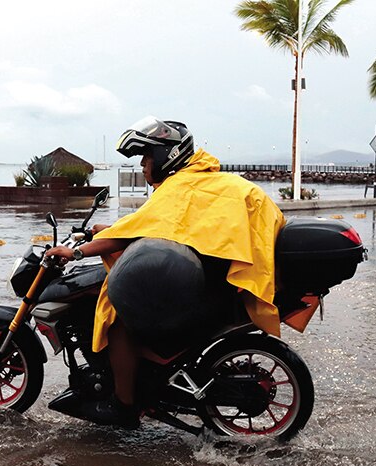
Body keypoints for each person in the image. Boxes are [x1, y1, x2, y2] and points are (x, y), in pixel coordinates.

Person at [44, 116, 285, 427]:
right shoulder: (202, 181)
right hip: (222, 282)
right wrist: (108, 230)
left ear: (164, 155)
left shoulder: (181, 187)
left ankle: (124, 405)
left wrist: (74, 251)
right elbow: (164, 228)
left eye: (146, 157)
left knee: (117, 321)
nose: (143, 165)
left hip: (206, 289)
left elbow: (141, 231)